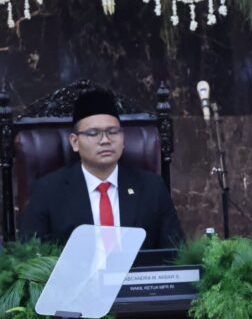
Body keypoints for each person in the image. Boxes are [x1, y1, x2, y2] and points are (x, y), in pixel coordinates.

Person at [18, 88, 182, 249]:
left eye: (112, 132)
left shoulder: (152, 187)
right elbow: (30, 258)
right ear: (75, 142)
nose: (105, 140)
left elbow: (176, 254)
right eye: (93, 133)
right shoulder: (48, 191)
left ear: (122, 138)